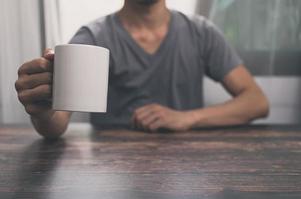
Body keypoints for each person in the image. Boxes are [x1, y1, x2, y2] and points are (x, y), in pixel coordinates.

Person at [15, 0, 269, 139]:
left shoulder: (201, 32)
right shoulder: (93, 36)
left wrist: (187, 118)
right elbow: (56, 124)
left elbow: (256, 101)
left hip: (186, 167)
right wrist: (43, 111)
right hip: (109, 168)